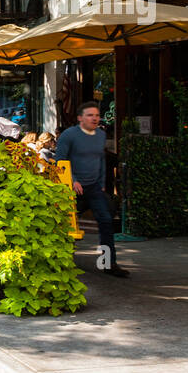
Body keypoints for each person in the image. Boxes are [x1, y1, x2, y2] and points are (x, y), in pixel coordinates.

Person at [56, 101, 129, 277]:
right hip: (72, 189)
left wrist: (102, 181)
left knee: (106, 221)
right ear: (80, 118)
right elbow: (60, 160)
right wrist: (72, 181)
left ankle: (108, 263)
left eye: (97, 115)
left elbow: (101, 159)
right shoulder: (68, 135)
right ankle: (60, 263)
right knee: (62, 226)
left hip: (94, 187)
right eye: (90, 115)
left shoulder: (100, 136)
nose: (95, 118)